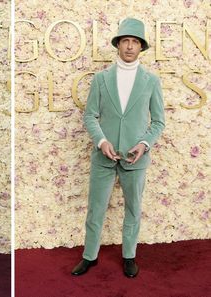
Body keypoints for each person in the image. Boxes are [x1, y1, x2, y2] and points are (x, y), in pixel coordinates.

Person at [71, 18, 165, 278]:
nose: (130, 46)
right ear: (118, 44)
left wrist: (144, 144)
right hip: (103, 157)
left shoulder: (151, 81)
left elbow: (158, 121)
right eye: (126, 40)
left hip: (136, 160)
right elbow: (90, 116)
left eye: (135, 41)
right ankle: (89, 256)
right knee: (96, 208)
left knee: (133, 208)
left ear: (141, 47)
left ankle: (129, 256)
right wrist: (101, 141)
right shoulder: (101, 79)